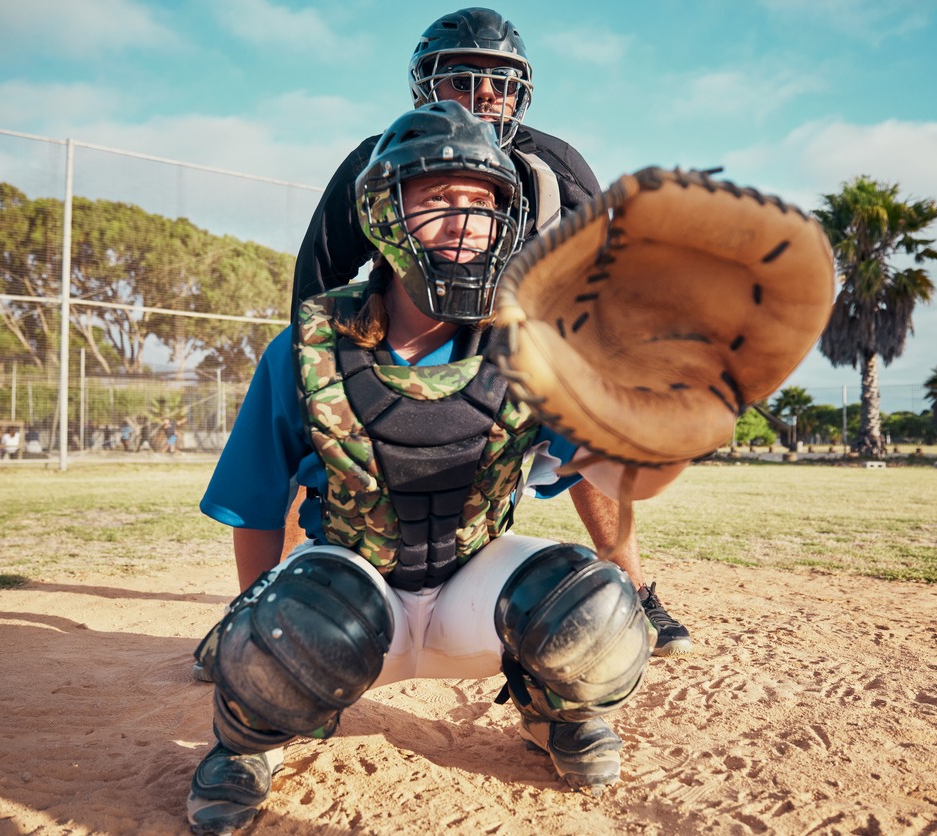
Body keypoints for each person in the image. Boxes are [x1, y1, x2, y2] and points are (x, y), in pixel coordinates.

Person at [185, 103, 693, 835]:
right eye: (438, 198)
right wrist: (255, 639)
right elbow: (258, 505)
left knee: (595, 602)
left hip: (470, 597)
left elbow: (606, 472)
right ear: (384, 213)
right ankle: (247, 744)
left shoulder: (531, 346)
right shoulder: (310, 347)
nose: (466, 220)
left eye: (483, 203)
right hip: (356, 600)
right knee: (287, 613)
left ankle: (556, 713)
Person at [284, 6, 691, 655]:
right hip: (405, 346)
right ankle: (270, 598)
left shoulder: (553, 164)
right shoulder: (380, 157)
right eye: (463, 78)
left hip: (511, 350)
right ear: (426, 85)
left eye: (499, 81)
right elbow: (321, 269)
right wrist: (314, 374)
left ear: (520, 91)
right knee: (308, 439)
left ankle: (634, 589)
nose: (484, 94)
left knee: (586, 438)